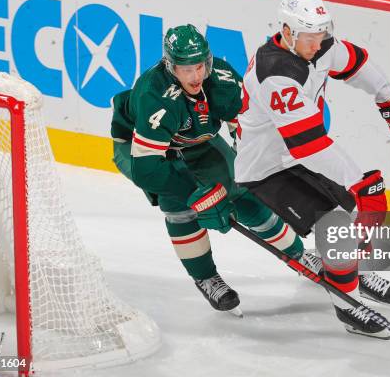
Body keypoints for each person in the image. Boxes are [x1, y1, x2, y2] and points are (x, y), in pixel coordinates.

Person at [234, 0, 390, 337]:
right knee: (335, 227)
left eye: (322, 33)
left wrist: (389, 96)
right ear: (288, 32)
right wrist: (358, 181)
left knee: (352, 216)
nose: (318, 44)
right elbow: (308, 144)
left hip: (300, 155)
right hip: (269, 168)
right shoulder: (276, 73)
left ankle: (353, 276)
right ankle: (349, 309)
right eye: (309, 36)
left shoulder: (314, 43)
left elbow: (354, 61)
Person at [110, 24, 313, 316]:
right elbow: (147, 171)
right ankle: (205, 276)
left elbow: (246, 128)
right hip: (142, 151)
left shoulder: (222, 77)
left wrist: (253, 164)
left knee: (242, 193)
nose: (196, 76)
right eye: (186, 69)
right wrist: (196, 195)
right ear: (171, 66)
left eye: (200, 66)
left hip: (197, 140)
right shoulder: (155, 96)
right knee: (180, 206)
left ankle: (299, 256)